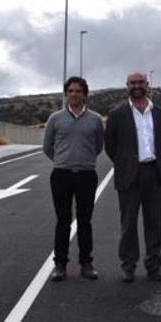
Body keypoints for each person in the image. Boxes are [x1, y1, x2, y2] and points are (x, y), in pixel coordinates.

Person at [105, 72, 161, 283]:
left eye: (140, 82)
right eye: (132, 83)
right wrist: (126, 163)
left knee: (154, 224)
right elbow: (110, 146)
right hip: (129, 175)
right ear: (127, 86)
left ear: (147, 85)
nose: (137, 86)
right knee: (128, 224)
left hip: (154, 173)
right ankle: (128, 266)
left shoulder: (159, 114)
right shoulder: (117, 114)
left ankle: (154, 267)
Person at [42, 77, 104, 282]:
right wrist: (63, 161)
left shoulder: (95, 119)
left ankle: (86, 263)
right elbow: (47, 147)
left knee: (85, 221)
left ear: (85, 94)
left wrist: (83, 160)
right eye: (71, 91)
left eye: (78, 91)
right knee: (63, 221)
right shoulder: (55, 118)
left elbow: (98, 146)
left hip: (87, 175)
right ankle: (60, 265)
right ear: (66, 94)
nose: (74, 94)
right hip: (61, 175)